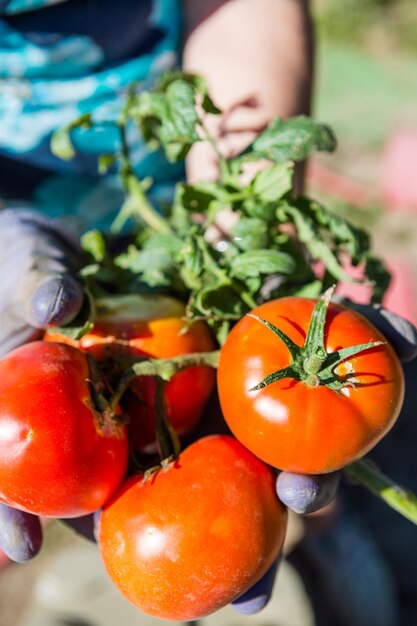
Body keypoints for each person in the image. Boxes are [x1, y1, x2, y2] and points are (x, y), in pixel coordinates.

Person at [0, 1, 416, 624]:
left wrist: (240, 225)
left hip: (190, 198)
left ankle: (350, 555)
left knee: (328, 488)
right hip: (27, 261)